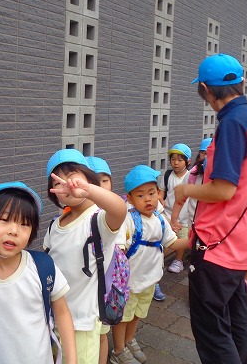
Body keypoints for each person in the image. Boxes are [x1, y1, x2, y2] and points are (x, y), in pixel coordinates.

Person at [172, 54, 247, 364]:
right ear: (241, 82)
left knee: (211, 330)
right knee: (236, 320)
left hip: (217, 243)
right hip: (241, 241)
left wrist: (185, 189)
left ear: (205, 89)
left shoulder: (231, 124)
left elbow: (224, 189)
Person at [0, 182, 76, 363]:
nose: (14, 231)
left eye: (25, 224)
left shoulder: (42, 266)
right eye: (4, 220)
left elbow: (62, 313)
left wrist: (71, 360)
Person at [43, 149, 127, 364]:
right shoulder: (54, 226)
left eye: (72, 176)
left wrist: (88, 190)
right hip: (54, 321)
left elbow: (119, 210)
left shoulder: (98, 220)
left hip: (83, 324)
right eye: (59, 182)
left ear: (88, 177)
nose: (68, 185)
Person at [110, 165, 187, 364]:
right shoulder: (127, 219)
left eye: (152, 193)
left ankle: (129, 340)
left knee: (138, 313)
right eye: (141, 195)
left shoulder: (160, 219)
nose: (148, 199)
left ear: (159, 193)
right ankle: (118, 350)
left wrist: (193, 241)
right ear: (129, 198)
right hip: (129, 283)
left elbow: (172, 243)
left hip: (150, 279)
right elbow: (118, 249)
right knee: (123, 317)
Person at [85, 156, 119, 364]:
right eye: (93, 182)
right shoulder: (75, 214)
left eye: (104, 180)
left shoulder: (113, 213)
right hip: (84, 290)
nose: (99, 187)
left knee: (101, 334)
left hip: (105, 287)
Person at [162, 143, 192, 274]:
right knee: (163, 235)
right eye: (173, 159)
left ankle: (178, 260)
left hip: (184, 216)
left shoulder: (191, 177)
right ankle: (159, 259)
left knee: (182, 238)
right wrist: (161, 200)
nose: (175, 163)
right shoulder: (168, 175)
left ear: (188, 161)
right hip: (168, 214)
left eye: (180, 160)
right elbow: (162, 191)